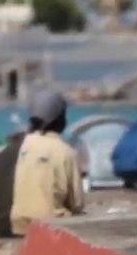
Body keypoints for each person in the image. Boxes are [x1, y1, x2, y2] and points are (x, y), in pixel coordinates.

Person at [9, 90, 85, 235]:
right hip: (52, 224)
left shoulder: (24, 145)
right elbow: (77, 203)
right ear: (60, 119)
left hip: (19, 223)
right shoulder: (65, 152)